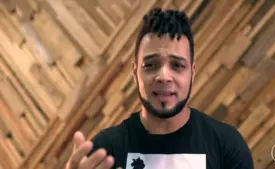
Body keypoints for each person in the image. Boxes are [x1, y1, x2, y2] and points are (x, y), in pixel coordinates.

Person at [65, 8, 254, 169]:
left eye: (177, 65)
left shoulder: (226, 145)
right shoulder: (105, 151)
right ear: (135, 72)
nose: (164, 76)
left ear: (192, 73)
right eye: (151, 65)